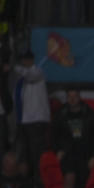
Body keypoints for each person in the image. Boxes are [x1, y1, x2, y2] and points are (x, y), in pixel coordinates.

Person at [53, 89, 94, 188]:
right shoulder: (61, 113)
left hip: (84, 154)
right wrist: (58, 150)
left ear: (80, 97)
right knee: (69, 179)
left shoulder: (90, 113)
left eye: (75, 96)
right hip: (68, 153)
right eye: (69, 96)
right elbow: (54, 135)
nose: (72, 99)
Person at [12, 51, 51, 180]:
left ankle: (40, 183)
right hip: (23, 121)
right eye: (23, 60)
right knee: (24, 155)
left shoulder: (38, 72)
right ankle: (27, 184)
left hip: (37, 120)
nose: (25, 62)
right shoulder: (20, 80)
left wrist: (15, 67)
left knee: (37, 154)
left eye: (28, 59)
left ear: (32, 60)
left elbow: (31, 76)